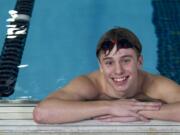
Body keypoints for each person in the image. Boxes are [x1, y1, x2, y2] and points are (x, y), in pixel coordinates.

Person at [33, 27, 180, 124]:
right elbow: (42, 113)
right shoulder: (90, 84)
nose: (118, 71)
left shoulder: (154, 84)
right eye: (109, 62)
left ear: (139, 61)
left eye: (126, 60)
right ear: (100, 66)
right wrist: (110, 107)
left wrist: (135, 109)